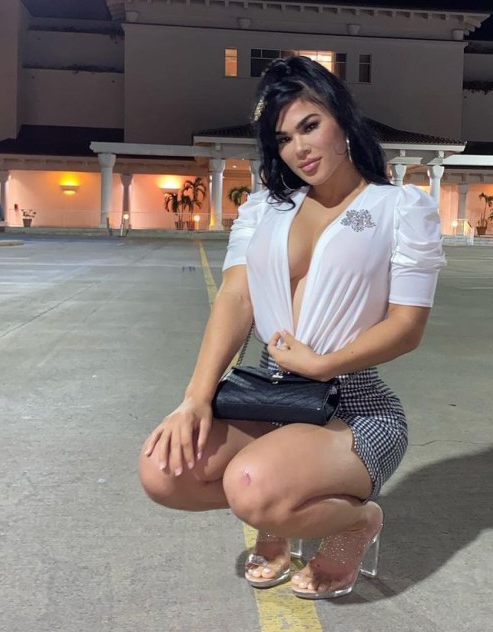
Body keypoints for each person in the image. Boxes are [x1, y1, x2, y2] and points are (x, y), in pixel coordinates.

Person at [139, 55, 446, 599]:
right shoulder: (265, 209)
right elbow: (236, 297)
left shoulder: (400, 208)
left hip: (352, 405)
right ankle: (278, 511)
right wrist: (196, 398)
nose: (299, 148)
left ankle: (356, 522)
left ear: (342, 122)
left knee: (251, 487)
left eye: (310, 126)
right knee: (163, 471)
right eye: (283, 139)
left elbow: (407, 326)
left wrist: (324, 363)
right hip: (267, 393)